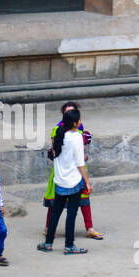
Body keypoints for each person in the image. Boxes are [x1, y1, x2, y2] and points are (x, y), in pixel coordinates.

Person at [44, 102, 103, 241]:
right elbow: (62, 154)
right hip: (72, 173)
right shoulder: (59, 130)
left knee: (79, 202)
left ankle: (89, 229)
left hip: (63, 174)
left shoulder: (79, 130)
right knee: (64, 208)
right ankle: (64, 240)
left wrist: (82, 153)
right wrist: (87, 181)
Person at [38, 107, 90, 255]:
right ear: (75, 123)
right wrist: (87, 182)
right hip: (73, 182)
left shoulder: (59, 135)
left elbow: (55, 156)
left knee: (56, 212)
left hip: (59, 181)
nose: (80, 122)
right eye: (79, 119)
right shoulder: (76, 137)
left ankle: (48, 243)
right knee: (71, 214)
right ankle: (69, 245)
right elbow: (80, 163)